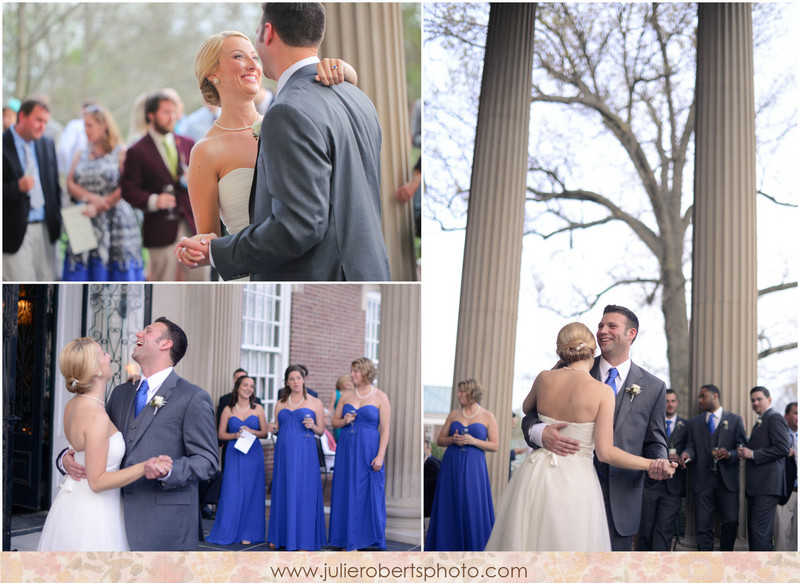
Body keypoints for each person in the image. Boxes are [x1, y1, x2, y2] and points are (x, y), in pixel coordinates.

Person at [178, 3, 391, 282]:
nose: (253, 62)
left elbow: (302, 222)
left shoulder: (287, 116)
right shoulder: (206, 150)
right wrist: (198, 251)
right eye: (239, 56)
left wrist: (344, 70)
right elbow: (208, 240)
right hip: (256, 272)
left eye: (254, 54)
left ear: (268, 34)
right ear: (212, 74)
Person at [486, 323, 674, 551]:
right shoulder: (602, 391)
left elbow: (527, 407)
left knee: (528, 542)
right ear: (593, 348)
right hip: (576, 480)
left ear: (561, 350)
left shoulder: (545, 378)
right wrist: (651, 463)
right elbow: (605, 452)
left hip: (535, 474)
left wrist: (557, 368)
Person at [61, 317, 218, 550]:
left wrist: (169, 470)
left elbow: (208, 462)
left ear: (165, 344)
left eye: (148, 331)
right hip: (111, 520)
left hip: (165, 524)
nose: (138, 335)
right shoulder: (120, 393)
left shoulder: (193, 398)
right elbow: (99, 441)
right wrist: (66, 457)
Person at [38, 338, 171, 551]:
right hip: (95, 513)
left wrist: (137, 391)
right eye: (102, 354)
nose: (108, 357)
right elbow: (97, 482)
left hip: (70, 504)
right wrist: (144, 467)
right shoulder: (96, 416)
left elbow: (80, 450)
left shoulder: (72, 405)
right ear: (95, 370)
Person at [121, 92, 206, 281]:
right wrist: (153, 200)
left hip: (192, 224)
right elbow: (128, 189)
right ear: (151, 115)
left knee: (201, 281)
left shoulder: (188, 143)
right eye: (166, 112)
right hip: (160, 228)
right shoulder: (137, 151)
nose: (172, 117)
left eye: (174, 112)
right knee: (162, 284)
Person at [62, 104, 144, 281]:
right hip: (85, 217)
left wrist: (102, 205)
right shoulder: (81, 153)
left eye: (89, 125)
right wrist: (92, 199)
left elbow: (126, 184)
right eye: (84, 125)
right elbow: (70, 183)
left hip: (115, 219)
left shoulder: (121, 151)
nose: (86, 130)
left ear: (103, 125)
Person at [425, 379, 498, 551]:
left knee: (472, 504)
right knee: (449, 503)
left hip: (474, 467)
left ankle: (474, 548)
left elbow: (495, 445)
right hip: (451, 464)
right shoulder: (454, 414)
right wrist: (452, 439)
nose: (459, 395)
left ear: (472, 393)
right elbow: (440, 440)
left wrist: (473, 440)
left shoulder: (488, 416)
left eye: (462, 391)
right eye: (459, 391)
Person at [329, 357, 391, 550]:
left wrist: (380, 455)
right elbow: (334, 422)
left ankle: (366, 537)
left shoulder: (380, 396)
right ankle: (345, 538)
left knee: (367, 492)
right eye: (352, 371)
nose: (352, 374)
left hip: (368, 449)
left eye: (355, 371)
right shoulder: (346, 395)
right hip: (347, 448)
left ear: (365, 372)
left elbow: (386, 428)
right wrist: (345, 420)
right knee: (346, 489)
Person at [265, 365, 326, 550]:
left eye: (298, 378)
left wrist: (313, 426)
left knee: (303, 493)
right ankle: (282, 536)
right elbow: (278, 428)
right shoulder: (280, 403)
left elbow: (321, 431)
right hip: (284, 454)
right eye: (291, 379)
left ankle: (303, 539)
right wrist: (273, 429)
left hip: (306, 454)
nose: (295, 382)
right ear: (286, 382)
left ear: (304, 379)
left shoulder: (315, 403)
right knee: (284, 491)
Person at [680, 384, 747, 551]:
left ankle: (726, 559)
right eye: (699, 397)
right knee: (702, 525)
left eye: (703, 396)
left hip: (727, 480)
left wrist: (730, 453)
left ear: (715, 396)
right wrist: (687, 454)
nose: (700, 400)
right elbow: (691, 446)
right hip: (702, 480)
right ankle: (706, 564)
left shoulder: (735, 420)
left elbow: (742, 446)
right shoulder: (694, 423)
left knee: (731, 520)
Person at [3, 98, 61, 281]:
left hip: (45, 230)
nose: (42, 126)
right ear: (22, 116)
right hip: (14, 231)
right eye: (38, 120)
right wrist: (16, 188)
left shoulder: (47, 144)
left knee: (47, 286)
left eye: (45, 122)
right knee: (20, 289)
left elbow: (54, 187)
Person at [207, 375, 268, 545]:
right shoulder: (228, 409)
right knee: (232, 491)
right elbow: (220, 434)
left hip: (253, 454)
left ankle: (249, 532)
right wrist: (235, 435)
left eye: (252, 386)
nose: (249, 388)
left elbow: (265, 433)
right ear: (238, 387)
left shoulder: (258, 409)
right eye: (246, 385)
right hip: (234, 453)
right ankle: (229, 529)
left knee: (251, 491)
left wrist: (251, 431)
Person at [736, 386, 791, 551]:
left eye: (759, 399)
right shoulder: (761, 421)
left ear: (769, 400)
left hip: (768, 487)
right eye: (752, 400)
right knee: (757, 533)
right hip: (758, 487)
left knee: (759, 533)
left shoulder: (774, 418)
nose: (755, 403)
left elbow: (783, 448)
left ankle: (762, 575)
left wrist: (752, 454)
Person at [638, 388, 689, 550]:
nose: (670, 404)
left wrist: (682, 457)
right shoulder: (650, 423)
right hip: (650, 484)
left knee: (664, 530)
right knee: (645, 528)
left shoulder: (686, 426)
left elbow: (692, 447)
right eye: (667, 401)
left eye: (673, 401)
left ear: (677, 403)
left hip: (673, 487)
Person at [774, 401, 797, 550]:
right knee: (782, 539)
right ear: (786, 416)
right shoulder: (778, 436)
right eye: (796, 413)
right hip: (786, 492)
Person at [330, 373, 353, 440]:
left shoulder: (352, 394)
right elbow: (330, 409)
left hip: (350, 422)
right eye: (346, 381)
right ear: (341, 382)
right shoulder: (336, 393)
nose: (348, 383)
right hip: (339, 422)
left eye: (350, 381)